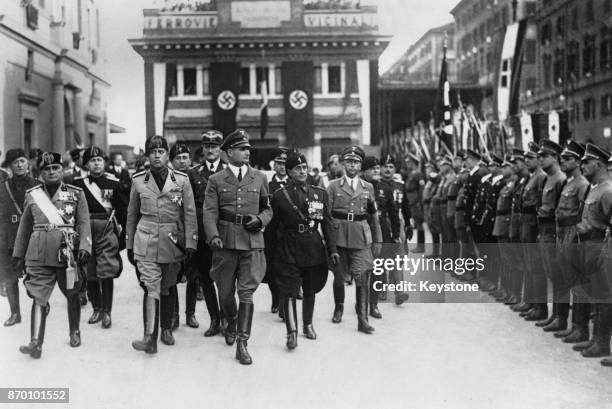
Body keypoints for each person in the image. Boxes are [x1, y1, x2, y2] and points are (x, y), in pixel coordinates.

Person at [203, 129, 273, 365]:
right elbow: (210, 211)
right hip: (225, 242)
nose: (247, 152)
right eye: (242, 149)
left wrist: (261, 220)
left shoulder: (260, 177)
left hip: (252, 242)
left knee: (246, 293)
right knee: (225, 293)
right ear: (229, 152)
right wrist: (212, 236)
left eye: (248, 149)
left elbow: (267, 208)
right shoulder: (216, 180)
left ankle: (243, 343)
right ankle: (230, 319)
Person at [13, 152, 92, 358]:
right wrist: (18, 255)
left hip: (66, 255)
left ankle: (74, 331)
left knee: (72, 292)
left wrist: (85, 247)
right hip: (38, 253)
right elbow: (24, 227)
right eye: (46, 169)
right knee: (38, 296)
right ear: (40, 173)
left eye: (55, 168)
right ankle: (35, 342)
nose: (51, 172)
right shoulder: (33, 194)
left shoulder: (76, 193)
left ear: (62, 169)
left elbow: (84, 223)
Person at [127, 136, 197, 354]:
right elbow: (131, 214)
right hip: (146, 237)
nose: (157, 156)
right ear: (147, 156)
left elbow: (190, 213)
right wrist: (129, 245)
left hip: (172, 239)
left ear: (168, 155)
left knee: (167, 285)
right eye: (152, 152)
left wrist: (191, 242)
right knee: (151, 285)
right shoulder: (138, 180)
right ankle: (150, 337)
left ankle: (166, 327)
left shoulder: (182, 180)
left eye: (161, 152)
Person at [270, 153, 339, 349]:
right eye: (297, 169)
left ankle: (307, 325)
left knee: (310, 288)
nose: (302, 171)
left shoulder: (319, 193)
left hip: (313, 246)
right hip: (289, 247)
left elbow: (327, 223)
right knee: (289, 290)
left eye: (304, 168)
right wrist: (272, 254)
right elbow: (273, 228)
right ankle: (292, 332)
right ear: (290, 172)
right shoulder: (280, 196)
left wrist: (332, 249)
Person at [327, 146, 382, 333]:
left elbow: (374, 217)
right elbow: (327, 216)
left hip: (360, 237)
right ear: (343, 164)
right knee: (339, 277)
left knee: (362, 277)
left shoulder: (368, 187)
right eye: (349, 161)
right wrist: (329, 243)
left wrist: (378, 240)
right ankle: (339, 307)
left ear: (360, 165)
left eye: (356, 162)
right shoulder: (333, 186)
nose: (352, 165)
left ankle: (362, 319)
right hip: (339, 236)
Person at [72, 146, 128, 329]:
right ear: (86, 164)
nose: (96, 163)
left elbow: (123, 210)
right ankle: (96, 308)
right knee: (91, 270)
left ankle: (107, 311)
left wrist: (121, 239)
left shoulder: (114, 183)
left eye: (99, 160)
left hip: (106, 229)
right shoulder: (78, 184)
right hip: (86, 231)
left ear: (104, 162)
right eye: (92, 161)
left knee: (107, 270)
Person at [572, 144, 612, 359]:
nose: (582, 165)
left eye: (586, 162)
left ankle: (602, 342)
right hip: (587, 245)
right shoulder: (595, 188)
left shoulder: (607, 190)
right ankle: (595, 339)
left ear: (599, 163)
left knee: (604, 296)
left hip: (598, 246)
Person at [188, 130, 227, 336]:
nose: (211, 150)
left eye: (215, 146)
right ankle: (215, 320)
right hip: (203, 236)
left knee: (226, 279)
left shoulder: (229, 171)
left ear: (220, 148)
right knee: (205, 277)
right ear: (202, 149)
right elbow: (189, 207)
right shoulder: (193, 173)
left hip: (224, 234)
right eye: (207, 146)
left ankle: (227, 319)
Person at [0, 149, 40, 326]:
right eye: (15, 162)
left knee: (37, 276)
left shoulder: (39, 185)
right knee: (9, 277)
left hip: (33, 236)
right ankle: (15, 313)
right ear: (9, 166)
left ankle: (39, 308)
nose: (19, 165)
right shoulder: (3, 187)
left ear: (28, 163)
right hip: (8, 238)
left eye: (22, 161)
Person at [554, 140, 589, 341]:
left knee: (576, 283)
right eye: (562, 159)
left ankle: (579, 327)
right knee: (562, 277)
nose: (563, 162)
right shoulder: (568, 182)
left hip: (572, 233)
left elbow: (581, 214)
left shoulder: (582, 184)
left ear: (577, 162)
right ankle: (561, 319)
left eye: (568, 159)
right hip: (562, 233)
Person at [534, 140, 566, 329]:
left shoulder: (560, 179)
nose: (540, 159)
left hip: (553, 233)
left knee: (558, 276)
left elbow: (559, 211)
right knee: (551, 275)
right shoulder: (547, 179)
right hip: (545, 231)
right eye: (539, 156)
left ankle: (560, 318)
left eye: (544, 156)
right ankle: (555, 315)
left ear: (555, 157)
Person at [518, 142, 546, 320]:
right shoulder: (531, 176)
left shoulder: (541, 177)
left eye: (531, 158)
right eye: (526, 158)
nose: (526, 161)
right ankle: (530, 301)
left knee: (536, 267)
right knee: (529, 264)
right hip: (526, 224)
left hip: (534, 225)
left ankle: (539, 307)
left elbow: (540, 205)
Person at [167, 142, 192, 330]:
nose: (182, 161)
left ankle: (190, 314)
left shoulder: (198, 176)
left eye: (185, 157)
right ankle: (173, 314)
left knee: (194, 275)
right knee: (173, 276)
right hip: (173, 232)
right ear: (172, 161)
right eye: (178, 158)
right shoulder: (168, 180)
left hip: (191, 231)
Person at [264, 147, 289, 316]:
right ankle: (275, 299)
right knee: (272, 267)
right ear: (274, 165)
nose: (282, 167)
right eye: (279, 163)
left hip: (290, 231)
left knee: (289, 266)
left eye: (285, 164)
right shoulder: (267, 185)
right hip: (272, 232)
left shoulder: (295, 183)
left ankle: (286, 299)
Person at [401, 154, 425, 253]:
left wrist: (419, 202)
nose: (407, 164)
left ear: (413, 163)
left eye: (408, 162)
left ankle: (421, 246)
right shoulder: (412, 173)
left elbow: (421, 189)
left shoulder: (418, 174)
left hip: (416, 202)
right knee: (416, 222)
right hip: (411, 202)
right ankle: (419, 245)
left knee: (419, 223)